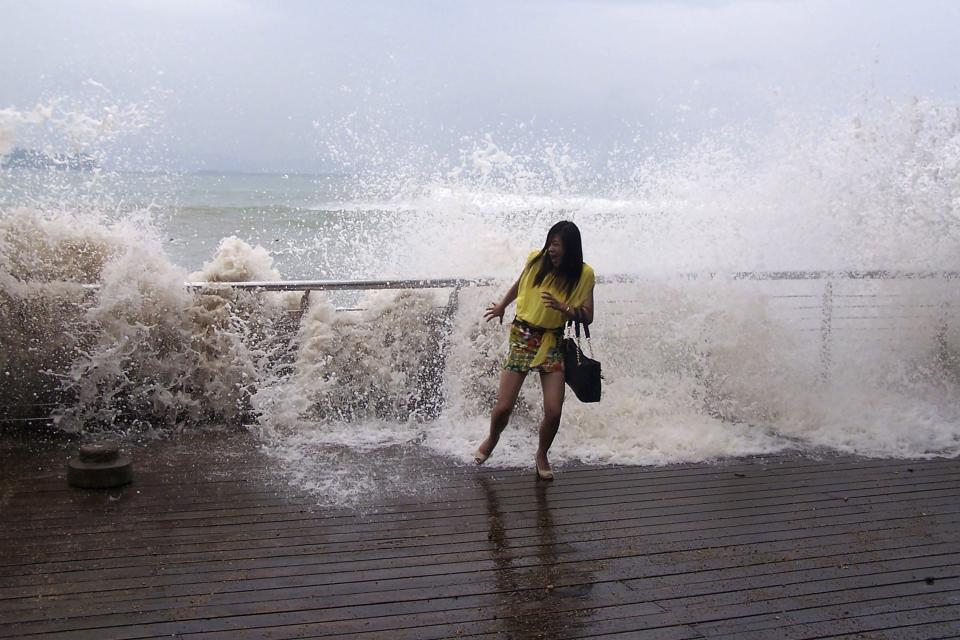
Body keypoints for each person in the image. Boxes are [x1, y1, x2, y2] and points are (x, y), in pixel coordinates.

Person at [474, 220, 596, 480]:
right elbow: (521, 284)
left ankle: (542, 453)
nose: (550, 249)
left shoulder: (585, 274)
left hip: (552, 340)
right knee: (504, 406)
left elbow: (588, 315)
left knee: (554, 411)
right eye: (550, 242)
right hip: (523, 335)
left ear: (570, 249)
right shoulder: (535, 259)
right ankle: (492, 438)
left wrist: (563, 308)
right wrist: (502, 306)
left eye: (556, 245)